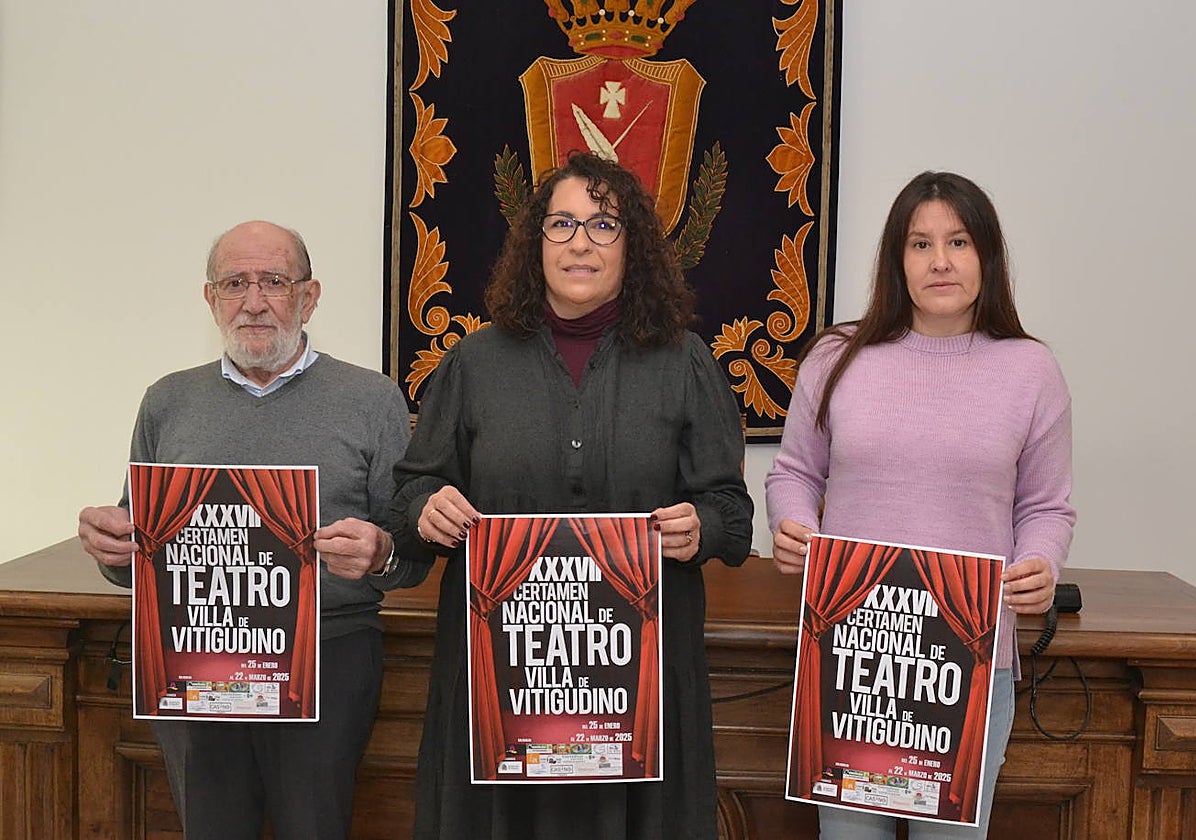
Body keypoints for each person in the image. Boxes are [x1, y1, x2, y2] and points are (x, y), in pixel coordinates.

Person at [389, 151, 754, 839]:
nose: (580, 241)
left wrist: (699, 525)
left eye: (603, 225)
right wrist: (424, 507)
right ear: (536, 243)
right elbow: (409, 499)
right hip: (500, 682)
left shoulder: (684, 361)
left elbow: (733, 519)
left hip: (641, 686)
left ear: (634, 246)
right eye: (561, 224)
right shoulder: (474, 361)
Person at [77, 221, 415, 840]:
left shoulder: (372, 400)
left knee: (314, 827)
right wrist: (112, 548)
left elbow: (410, 555)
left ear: (309, 297)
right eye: (235, 283)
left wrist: (382, 551)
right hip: (193, 659)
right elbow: (136, 552)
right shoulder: (167, 402)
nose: (253, 301)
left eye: (274, 282)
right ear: (210, 299)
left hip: (329, 653)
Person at [766, 171, 1076, 839]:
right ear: (895, 260)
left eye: (959, 242)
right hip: (852, 651)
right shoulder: (835, 356)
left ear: (987, 257)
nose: (940, 261)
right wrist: (793, 524)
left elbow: (1047, 507)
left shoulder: (1031, 370)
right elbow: (793, 472)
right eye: (920, 244)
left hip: (968, 658)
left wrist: (1040, 564)